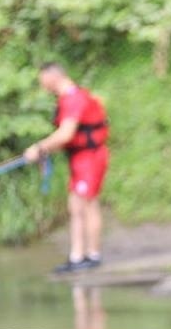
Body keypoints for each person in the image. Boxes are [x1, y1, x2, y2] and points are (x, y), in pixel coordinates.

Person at [23, 61, 110, 273]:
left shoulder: (74, 98)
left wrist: (39, 148)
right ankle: (77, 256)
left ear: (52, 77)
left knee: (87, 204)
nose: (41, 84)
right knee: (76, 206)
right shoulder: (69, 98)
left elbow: (66, 134)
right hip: (79, 158)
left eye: (42, 79)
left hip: (90, 158)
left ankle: (92, 256)